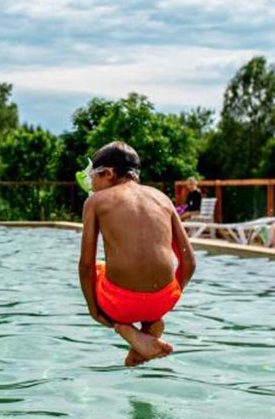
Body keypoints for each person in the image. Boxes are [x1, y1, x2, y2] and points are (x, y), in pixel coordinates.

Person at [78, 141, 197, 366]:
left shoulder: (95, 202)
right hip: (163, 300)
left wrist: (96, 312)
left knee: (97, 269)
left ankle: (126, 330)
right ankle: (151, 324)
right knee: (155, 291)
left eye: (94, 177)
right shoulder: (162, 199)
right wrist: (170, 296)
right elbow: (189, 262)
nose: (91, 185)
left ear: (109, 173)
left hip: (118, 305)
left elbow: (85, 266)